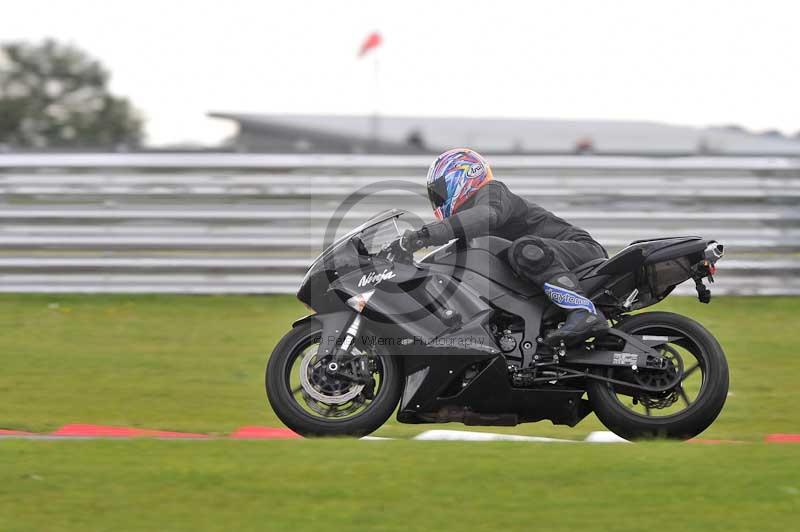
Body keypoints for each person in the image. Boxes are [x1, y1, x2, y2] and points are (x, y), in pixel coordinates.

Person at [400, 148, 609, 346]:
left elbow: (486, 216)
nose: (438, 200)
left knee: (525, 248)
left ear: (463, 176)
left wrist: (426, 234)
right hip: (549, 264)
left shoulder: (492, 192)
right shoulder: (471, 224)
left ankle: (584, 311)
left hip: (581, 250)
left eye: (440, 192)